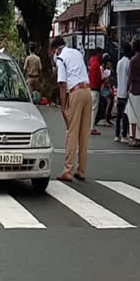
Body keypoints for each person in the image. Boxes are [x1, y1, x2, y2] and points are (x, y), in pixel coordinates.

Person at [53, 36, 92, 182]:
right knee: (83, 134)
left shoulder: (61, 58)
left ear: (56, 49)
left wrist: (63, 107)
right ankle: (81, 170)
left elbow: (62, 85)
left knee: (72, 132)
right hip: (88, 92)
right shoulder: (76, 53)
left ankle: (68, 171)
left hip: (75, 92)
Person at [115, 42, 132, 143]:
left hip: (119, 92)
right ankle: (124, 135)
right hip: (126, 92)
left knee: (118, 115)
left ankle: (117, 135)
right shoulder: (129, 63)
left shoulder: (119, 62)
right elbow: (130, 77)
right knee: (125, 115)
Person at [94, 55, 113, 127]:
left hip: (106, 88)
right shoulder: (101, 69)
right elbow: (101, 79)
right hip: (101, 88)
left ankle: (108, 117)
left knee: (111, 99)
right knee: (109, 101)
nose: (110, 64)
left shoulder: (108, 70)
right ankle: (106, 118)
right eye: (108, 62)